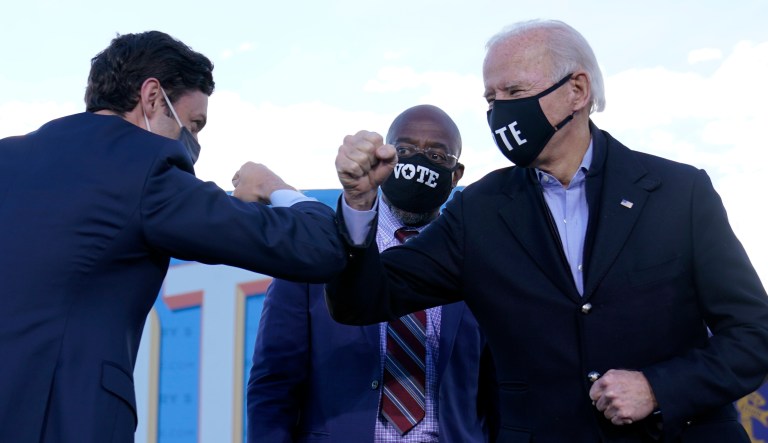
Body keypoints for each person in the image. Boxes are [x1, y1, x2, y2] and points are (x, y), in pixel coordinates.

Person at [326, 19, 768, 443]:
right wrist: (359, 204)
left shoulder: (678, 193)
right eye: (491, 98)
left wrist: (658, 388)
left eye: (515, 92)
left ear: (577, 91)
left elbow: (754, 334)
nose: (500, 111)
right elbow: (362, 299)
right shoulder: (477, 211)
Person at [0, 31, 346, 443]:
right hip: (65, 420)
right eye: (193, 124)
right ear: (152, 97)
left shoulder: (9, 157)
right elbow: (317, 247)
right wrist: (275, 188)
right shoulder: (146, 170)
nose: (193, 143)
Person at [246, 104, 497, 443]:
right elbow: (274, 383)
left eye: (436, 156)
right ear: (384, 157)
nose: (418, 163)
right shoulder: (319, 249)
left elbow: (500, 391)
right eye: (404, 151)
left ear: (456, 175)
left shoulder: (478, 261)